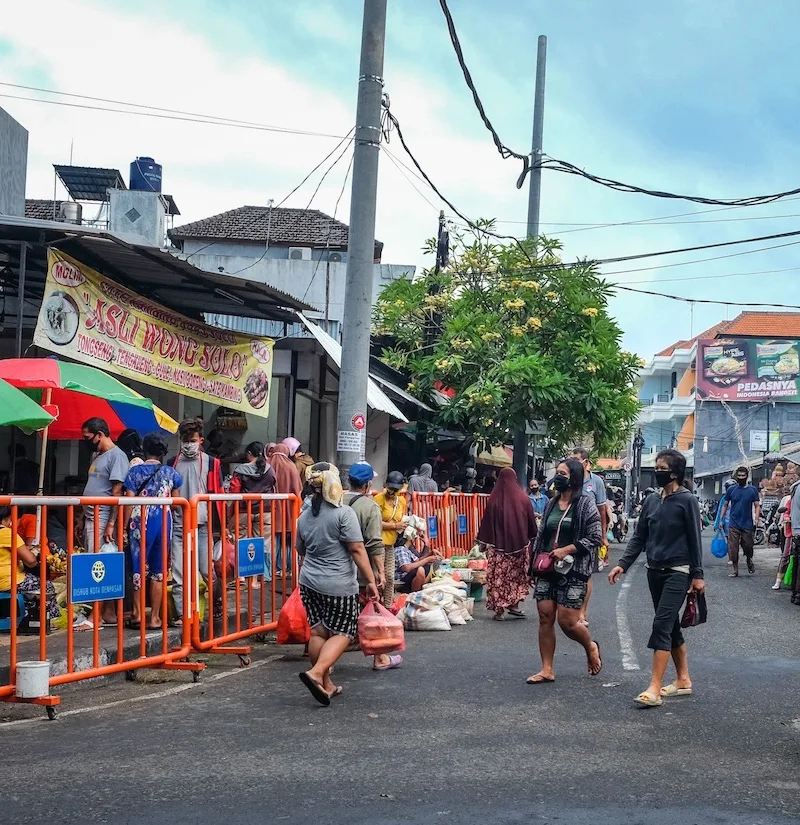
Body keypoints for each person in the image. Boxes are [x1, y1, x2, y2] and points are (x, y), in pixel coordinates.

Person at [608, 449, 704, 708]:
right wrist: (623, 565)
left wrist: (697, 574)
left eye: (661, 468)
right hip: (654, 570)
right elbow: (640, 537)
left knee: (661, 625)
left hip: (679, 571)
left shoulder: (687, 500)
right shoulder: (651, 501)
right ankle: (683, 679)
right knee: (670, 625)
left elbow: (695, 539)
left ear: (674, 472)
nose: (657, 471)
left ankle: (654, 688)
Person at [296, 462, 379, 705]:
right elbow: (356, 548)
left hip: (309, 580)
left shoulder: (304, 515)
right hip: (338, 583)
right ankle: (316, 673)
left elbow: (300, 549)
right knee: (344, 631)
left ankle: (325, 685)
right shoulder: (343, 514)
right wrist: (371, 580)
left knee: (319, 630)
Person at [527, 458, 603, 684]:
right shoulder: (551, 503)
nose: (557, 477)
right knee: (544, 616)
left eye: (563, 474)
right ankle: (547, 669)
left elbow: (595, 537)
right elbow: (542, 536)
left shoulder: (585, 504)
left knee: (568, 622)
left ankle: (590, 646)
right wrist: (533, 566)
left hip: (574, 569)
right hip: (547, 567)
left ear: (575, 478)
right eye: (557, 473)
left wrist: (568, 549)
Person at [344, 461, 400, 671]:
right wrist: (379, 574)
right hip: (361, 571)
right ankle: (381, 658)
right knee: (373, 612)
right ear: (367, 485)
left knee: (335, 615)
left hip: (338, 571)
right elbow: (375, 544)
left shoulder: (336, 501)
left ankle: (325, 661)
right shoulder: (370, 507)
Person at [123, 433, 183, 630]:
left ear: (145, 449)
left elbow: (129, 503)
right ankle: (155, 618)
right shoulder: (171, 473)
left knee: (138, 568)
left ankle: (138, 614)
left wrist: (123, 526)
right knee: (158, 571)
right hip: (163, 521)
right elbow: (176, 504)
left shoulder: (135, 472)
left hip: (140, 522)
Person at [169, 418, 223, 623]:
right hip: (178, 525)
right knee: (178, 573)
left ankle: (216, 601)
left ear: (200, 440)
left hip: (202, 524)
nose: (188, 444)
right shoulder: (172, 463)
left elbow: (217, 494)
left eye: (192, 439)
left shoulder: (212, 463)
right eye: (185, 439)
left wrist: (220, 527)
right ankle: (183, 614)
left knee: (205, 570)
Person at [81, 417, 129, 625]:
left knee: (97, 566)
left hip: (103, 516)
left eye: (88, 437)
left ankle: (95, 616)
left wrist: (111, 523)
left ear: (99, 434)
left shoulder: (117, 456)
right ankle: (107, 613)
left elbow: (117, 492)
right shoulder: (96, 455)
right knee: (103, 564)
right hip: (90, 516)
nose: (86, 441)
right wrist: (81, 517)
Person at [477, 468, 538, 621]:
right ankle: (514, 605)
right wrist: (532, 537)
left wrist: (483, 543)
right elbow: (531, 522)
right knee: (516, 578)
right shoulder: (523, 498)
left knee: (499, 579)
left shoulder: (494, 499)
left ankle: (499, 611)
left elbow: (487, 523)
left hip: (498, 549)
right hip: (519, 546)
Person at [569, 447, 608, 626]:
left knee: (585, 574)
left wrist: (603, 536)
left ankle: (582, 612)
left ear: (586, 462)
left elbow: (601, 511)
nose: (574, 463)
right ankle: (568, 608)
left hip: (589, 534)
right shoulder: (568, 479)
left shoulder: (596, 482)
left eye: (577, 459)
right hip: (569, 532)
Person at [0, 505, 59, 621]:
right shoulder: (6, 533)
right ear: (6, 519)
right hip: (7, 581)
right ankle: (50, 620)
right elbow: (31, 561)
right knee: (45, 585)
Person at [373, 471, 408, 610]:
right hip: (378, 543)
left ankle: (387, 607)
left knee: (390, 576)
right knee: (379, 578)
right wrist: (394, 526)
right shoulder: (379, 499)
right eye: (390, 488)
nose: (392, 492)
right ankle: (375, 605)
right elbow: (375, 522)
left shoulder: (402, 501)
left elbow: (401, 519)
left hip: (391, 544)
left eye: (395, 489)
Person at [228, 441, 276, 540]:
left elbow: (234, 491)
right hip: (265, 511)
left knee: (240, 543)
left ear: (249, 453)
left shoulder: (240, 470)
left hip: (244, 511)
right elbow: (273, 485)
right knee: (264, 544)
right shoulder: (270, 470)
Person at [269, 443, 304, 577]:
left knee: (273, 539)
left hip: (271, 508)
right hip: (289, 508)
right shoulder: (291, 466)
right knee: (288, 539)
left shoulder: (267, 465)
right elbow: (298, 489)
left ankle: (273, 567)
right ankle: (288, 567)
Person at [719, 466, 761, 577]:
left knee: (748, 546)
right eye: (739, 476)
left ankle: (748, 558)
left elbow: (757, 505)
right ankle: (735, 570)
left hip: (747, 523)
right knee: (733, 548)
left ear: (747, 477)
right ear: (736, 476)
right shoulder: (731, 490)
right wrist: (721, 519)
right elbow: (725, 504)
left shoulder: (753, 490)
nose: (741, 477)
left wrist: (756, 518)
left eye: (743, 476)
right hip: (733, 523)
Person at [773, 489, 793, 590]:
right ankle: (778, 581)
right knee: (785, 556)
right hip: (791, 532)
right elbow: (785, 513)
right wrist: (787, 518)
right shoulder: (790, 501)